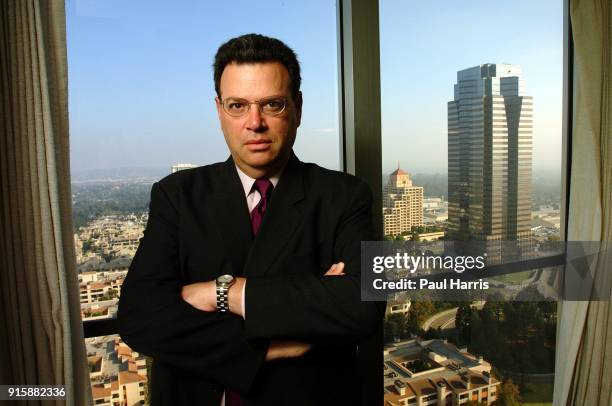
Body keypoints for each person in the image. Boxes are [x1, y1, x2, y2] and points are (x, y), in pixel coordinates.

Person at [117, 33, 383, 406]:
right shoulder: (176, 195)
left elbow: (362, 306)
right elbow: (139, 315)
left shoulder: (344, 196)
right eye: (237, 105)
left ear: (298, 108)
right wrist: (272, 345)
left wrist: (220, 292)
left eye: (272, 104)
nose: (254, 123)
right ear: (219, 111)